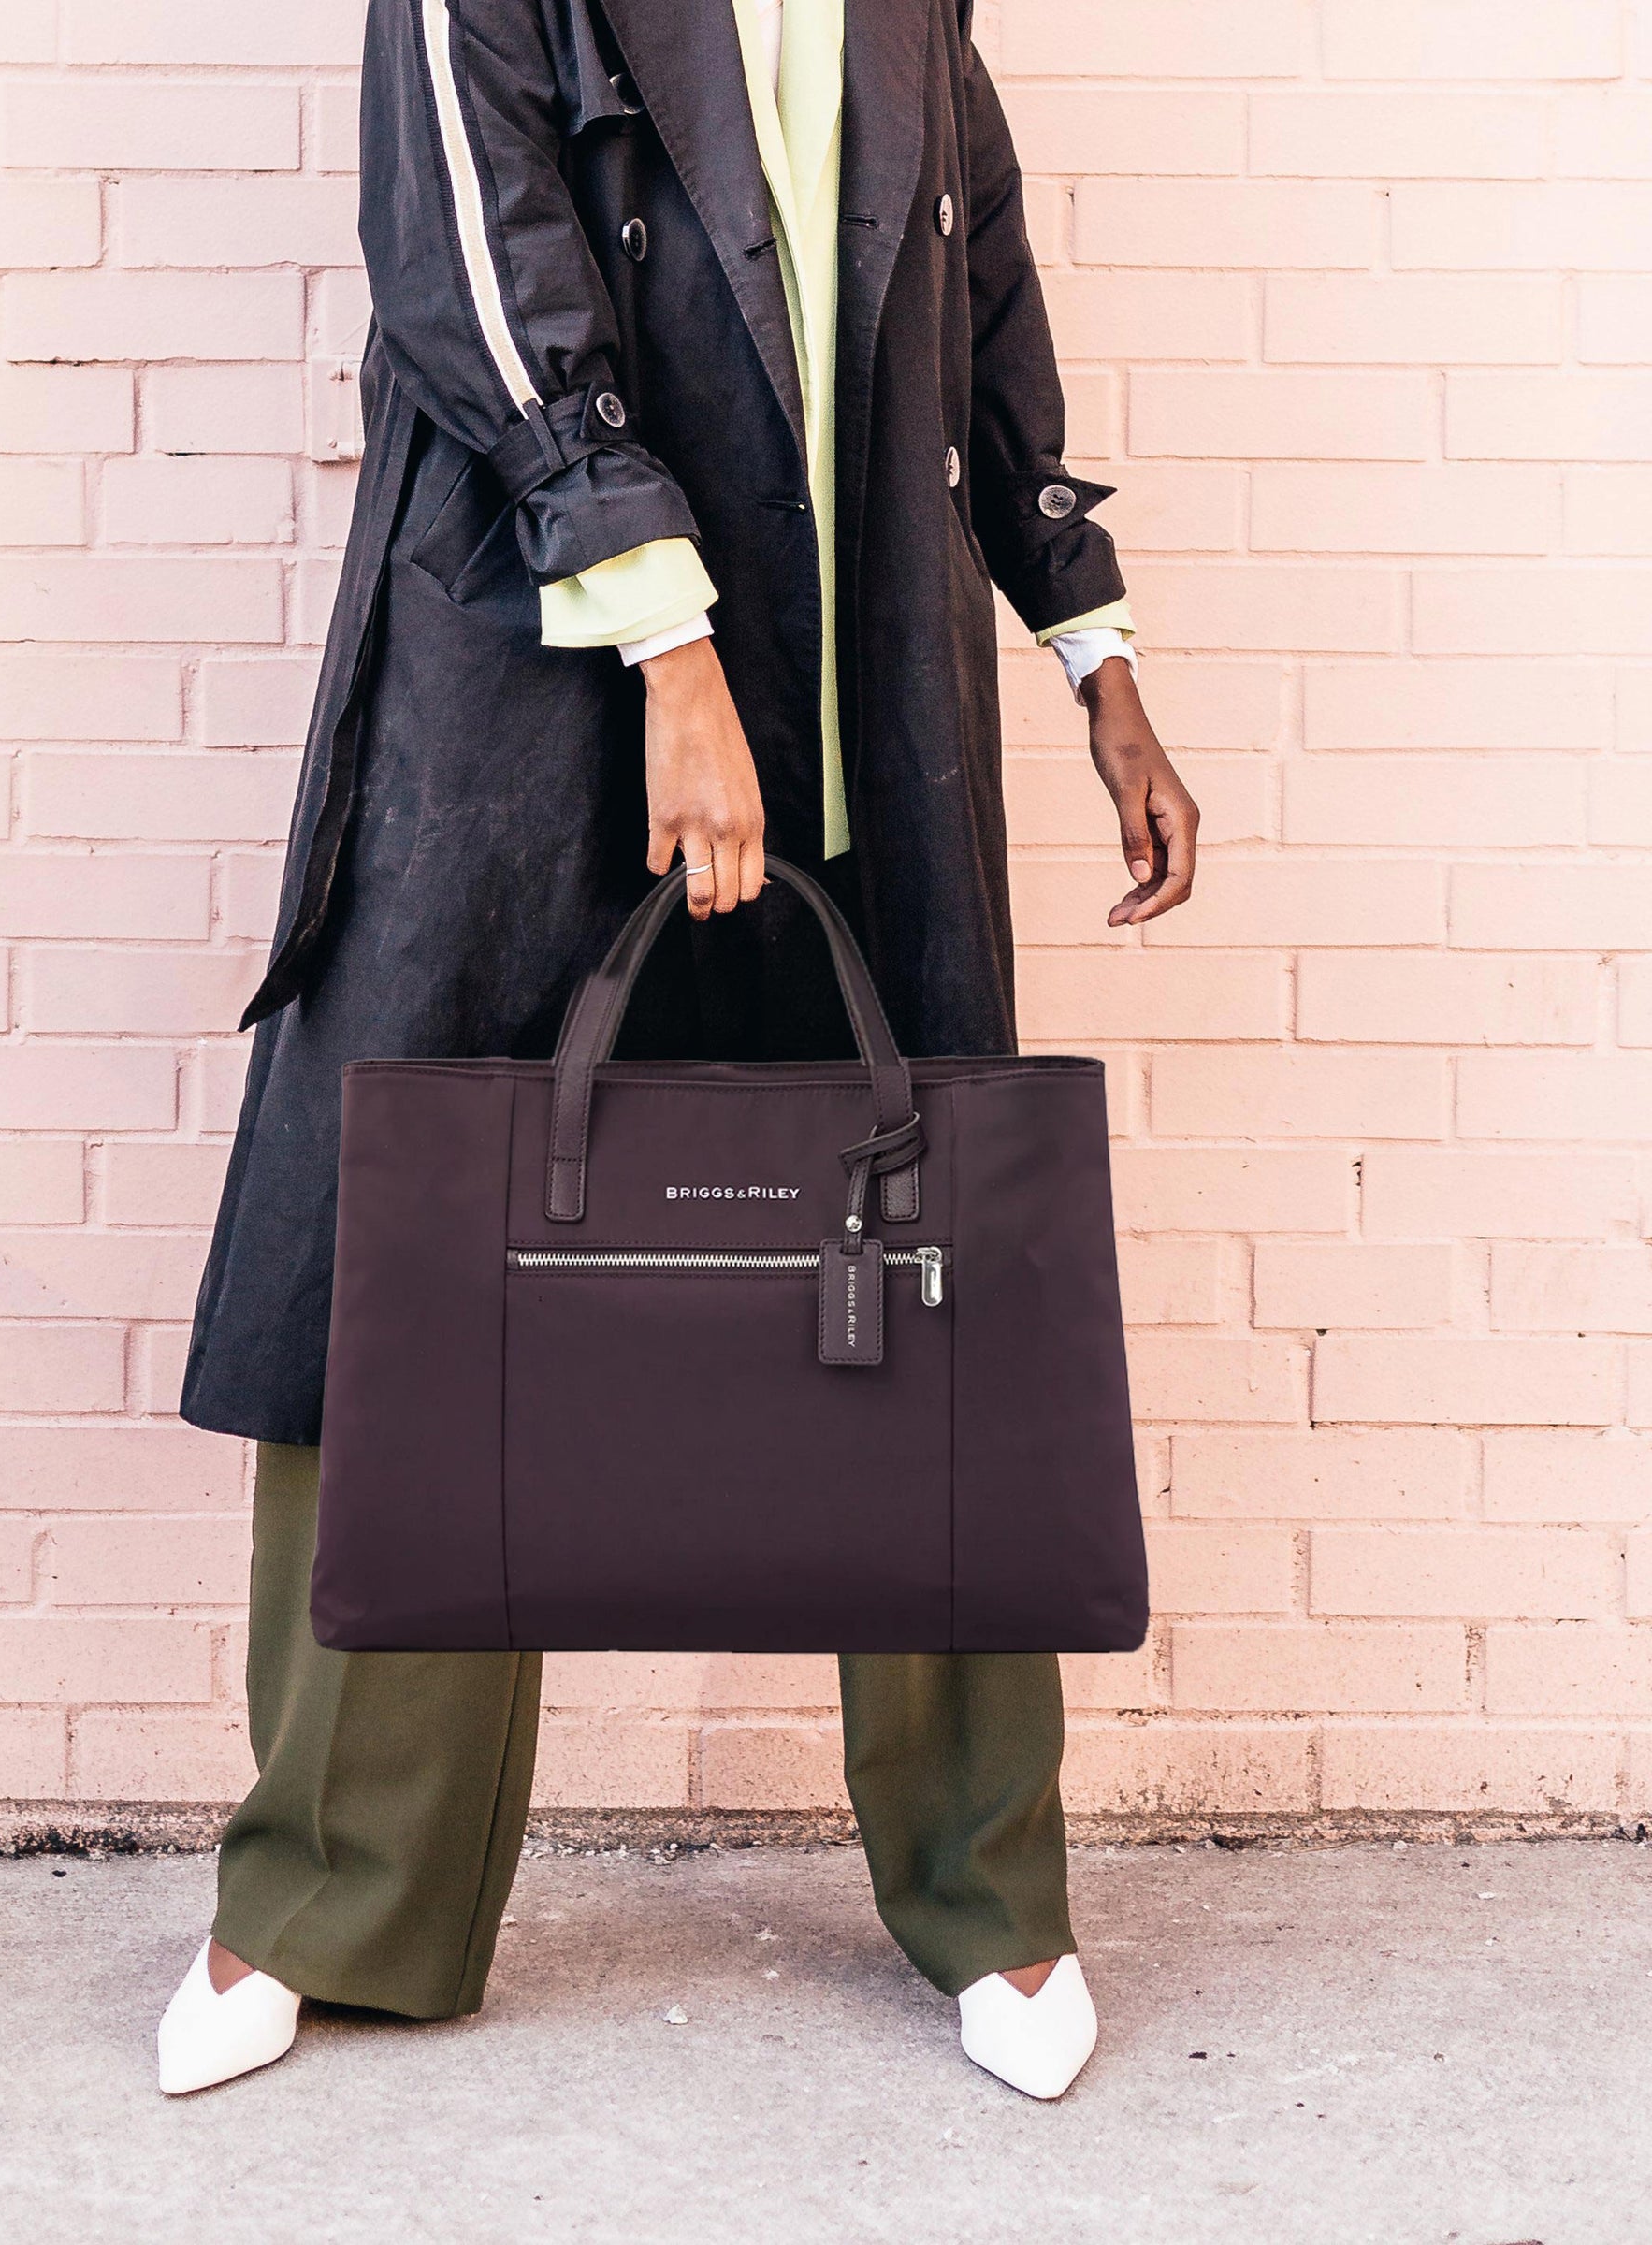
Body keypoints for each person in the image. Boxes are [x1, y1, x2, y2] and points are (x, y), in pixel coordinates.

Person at [166, 0, 1198, 2101]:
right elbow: (471, 253)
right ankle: (327, 1896)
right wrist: (671, 644)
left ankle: (990, 1898)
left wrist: (1088, 640)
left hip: (856, 680)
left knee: (925, 1280)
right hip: (539, 672)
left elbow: (975, 269)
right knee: (422, 1258)